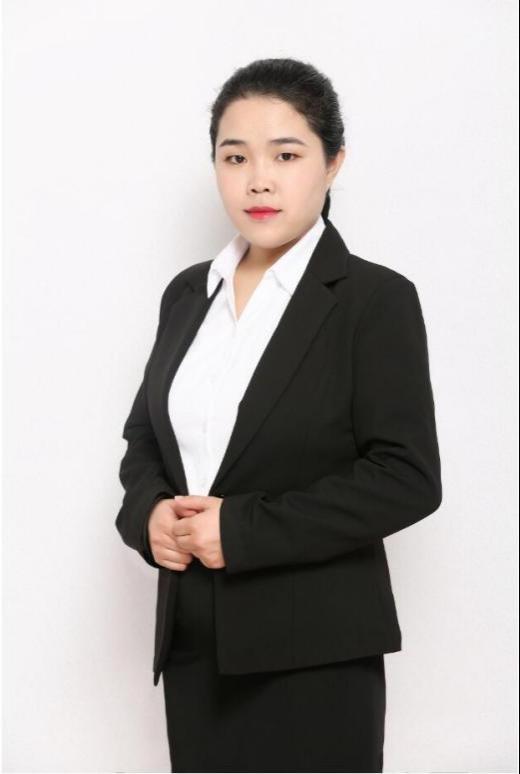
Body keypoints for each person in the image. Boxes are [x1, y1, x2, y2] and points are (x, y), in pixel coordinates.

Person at [115, 57, 442, 773]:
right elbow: (146, 439)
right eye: (235, 157)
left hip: (314, 656)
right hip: (194, 649)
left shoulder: (373, 301)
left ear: (333, 163)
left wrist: (241, 529)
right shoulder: (188, 295)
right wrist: (147, 515)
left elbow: (407, 478)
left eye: (286, 155)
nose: (258, 180)